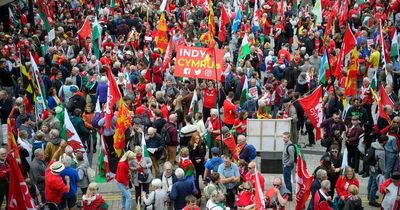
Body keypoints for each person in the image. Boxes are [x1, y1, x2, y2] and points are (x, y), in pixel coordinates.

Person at [45, 143, 70, 209]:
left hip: (48, 196)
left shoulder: (48, 170)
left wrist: (59, 149)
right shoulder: (57, 180)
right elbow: (66, 190)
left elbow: (53, 158)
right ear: (60, 171)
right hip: (55, 200)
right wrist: (67, 181)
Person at [367, 135, 387, 207]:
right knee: (375, 184)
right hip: (376, 168)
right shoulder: (381, 151)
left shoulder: (373, 144)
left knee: (371, 180)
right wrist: (384, 171)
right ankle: (372, 201)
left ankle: (369, 195)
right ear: (384, 142)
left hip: (371, 165)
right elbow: (382, 164)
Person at [188, 131, 206, 199]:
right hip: (194, 163)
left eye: (198, 138)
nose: (197, 140)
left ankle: (206, 191)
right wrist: (194, 148)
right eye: (196, 139)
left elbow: (204, 152)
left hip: (201, 162)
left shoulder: (202, 142)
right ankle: (198, 195)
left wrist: (201, 159)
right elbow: (190, 154)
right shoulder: (190, 144)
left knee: (204, 177)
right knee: (196, 179)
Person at [282, 131, 295, 200]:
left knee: (287, 181)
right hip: (286, 165)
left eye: (285, 138)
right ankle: (287, 194)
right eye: (283, 137)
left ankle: (289, 196)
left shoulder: (290, 147)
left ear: (289, 138)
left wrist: (286, 165)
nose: (283, 139)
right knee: (286, 180)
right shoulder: (286, 144)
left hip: (287, 166)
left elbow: (292, 159)